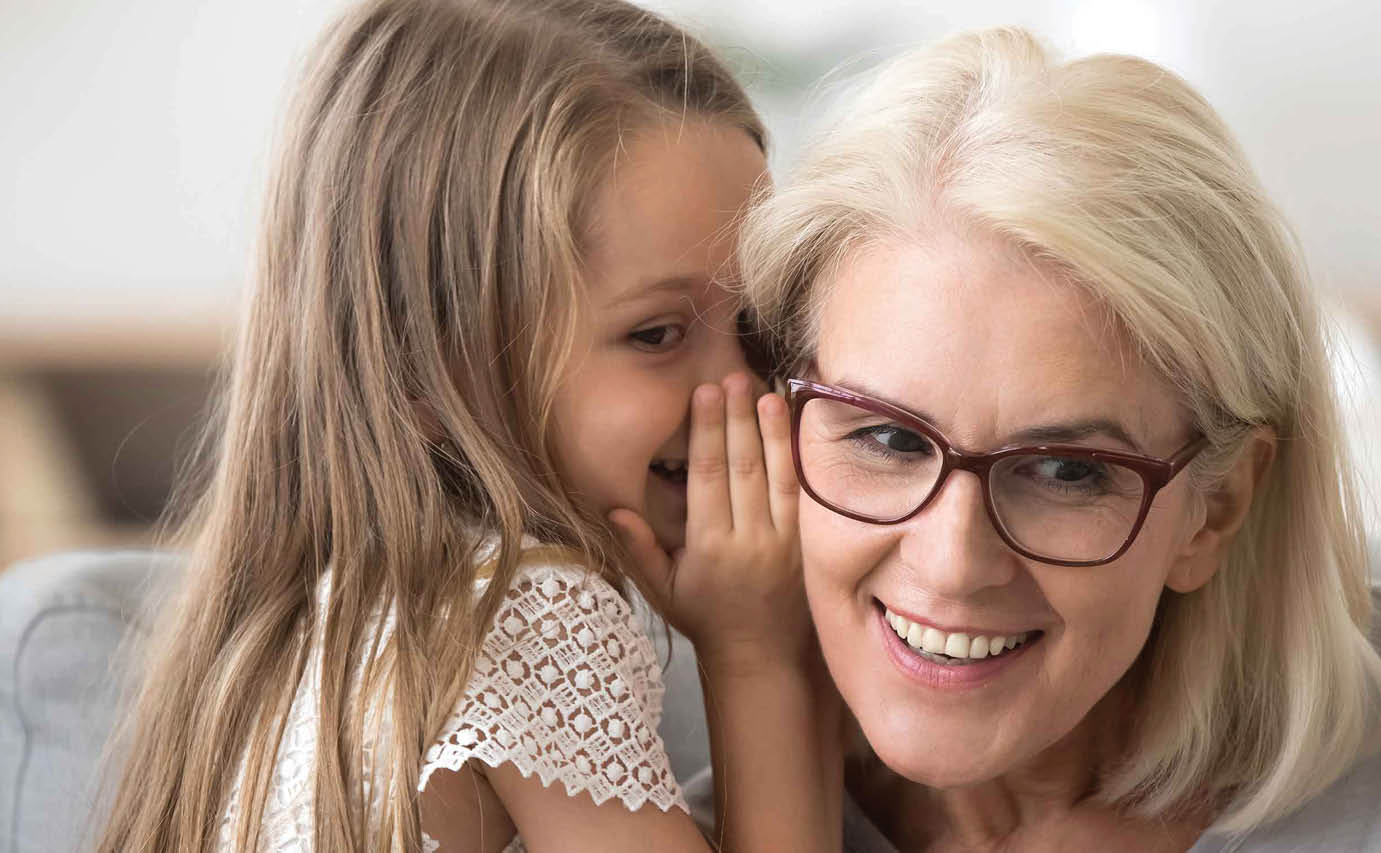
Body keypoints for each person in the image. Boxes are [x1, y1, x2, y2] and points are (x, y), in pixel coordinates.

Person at [721, 26, 1381, 851]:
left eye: (1065, 470)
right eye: (887, 439)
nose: (954, 561)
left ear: (1215, 507)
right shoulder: (674, 823)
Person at [95, 0, 836, 850]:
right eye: (656, 334)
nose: (744, 389)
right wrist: (757, 654)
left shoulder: (301, 631)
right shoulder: (525, 606)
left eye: (757, 327)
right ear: (429, 373)